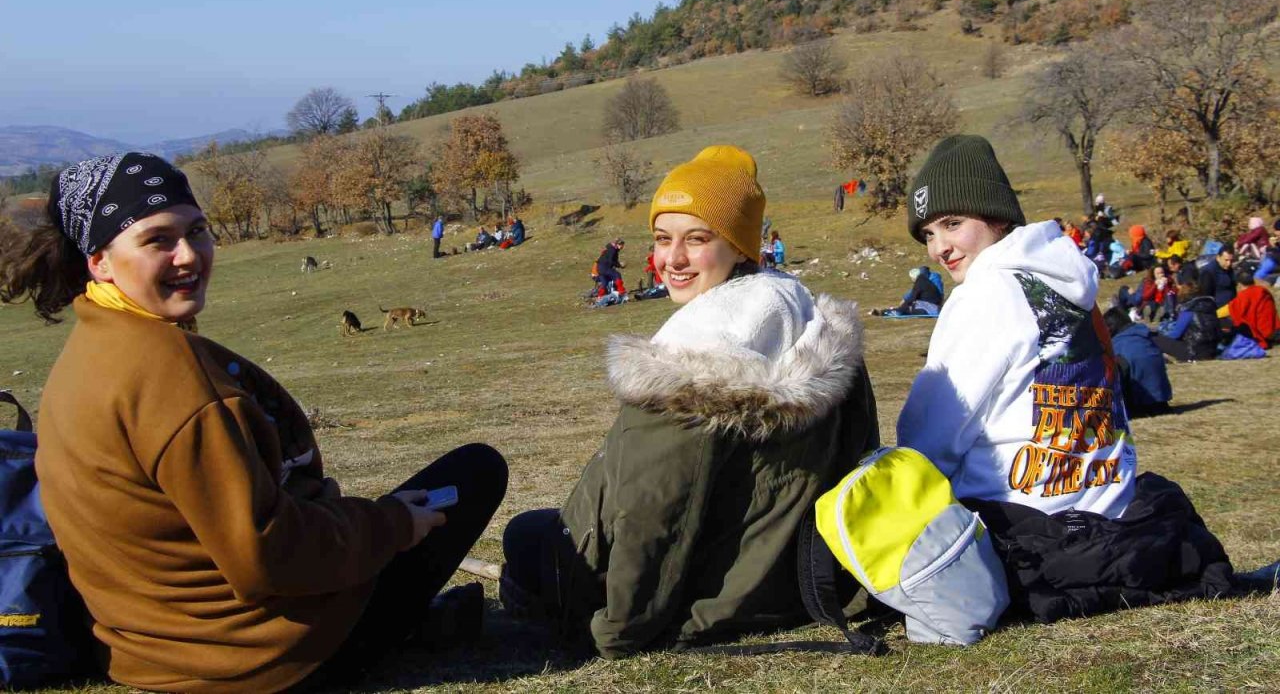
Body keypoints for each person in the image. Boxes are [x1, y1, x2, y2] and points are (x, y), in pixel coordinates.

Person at [0, 152, 507, 692]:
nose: (188, 255)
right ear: (98, 260)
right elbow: (270, 556)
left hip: (146, 647)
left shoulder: (88, 350)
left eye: (198, 231)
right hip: (257, 662)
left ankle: (419, 621)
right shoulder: (172, 381)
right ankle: (398, 625)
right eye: (157, 240)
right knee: (475, 472)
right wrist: (391, 525)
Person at [501, 145, 879, 658]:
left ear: (739, 245)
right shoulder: (800, 310)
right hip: (774, 578)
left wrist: (622, 626)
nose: (672, 260)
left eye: (697, 240)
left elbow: (657, 507)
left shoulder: (705, 340)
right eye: (662, 239)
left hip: (708, 591)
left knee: (524, 535)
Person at [894, 135, 1239, 623]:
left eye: (952, 224)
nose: (939, 248)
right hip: (1115, 519)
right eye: (927, 234)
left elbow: (930, 441)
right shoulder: (1069, 281)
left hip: (1029, 534)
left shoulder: (985, 293)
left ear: (995, 216)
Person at [1103, 306, 1172, 417]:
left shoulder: (1118, 345)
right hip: (1161, 402)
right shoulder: (1145, 336)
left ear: (1110, 328)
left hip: (1138, 405)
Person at [1153, 273, 1223, 362]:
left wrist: (1163, 331)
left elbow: (1175, 335)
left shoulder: (1189, 311)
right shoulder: (1210, 307)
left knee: (1155, 339)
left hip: (1193, 352)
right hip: (1211, 350)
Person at [1224, 268, 1279, 349]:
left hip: (1259, 334)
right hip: (1273, 330)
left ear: (1239, 284)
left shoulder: (1244, 296)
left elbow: (1230, 310)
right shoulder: (1264, 291)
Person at [871, 265, 944, 317]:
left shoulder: (920, 282)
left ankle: (888, 312)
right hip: (935, 306)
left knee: (909, 307)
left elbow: (912, 297)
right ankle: (889, 311)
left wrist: (901, 308)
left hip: (931, 309)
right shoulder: (928, 280)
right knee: (910, 306)